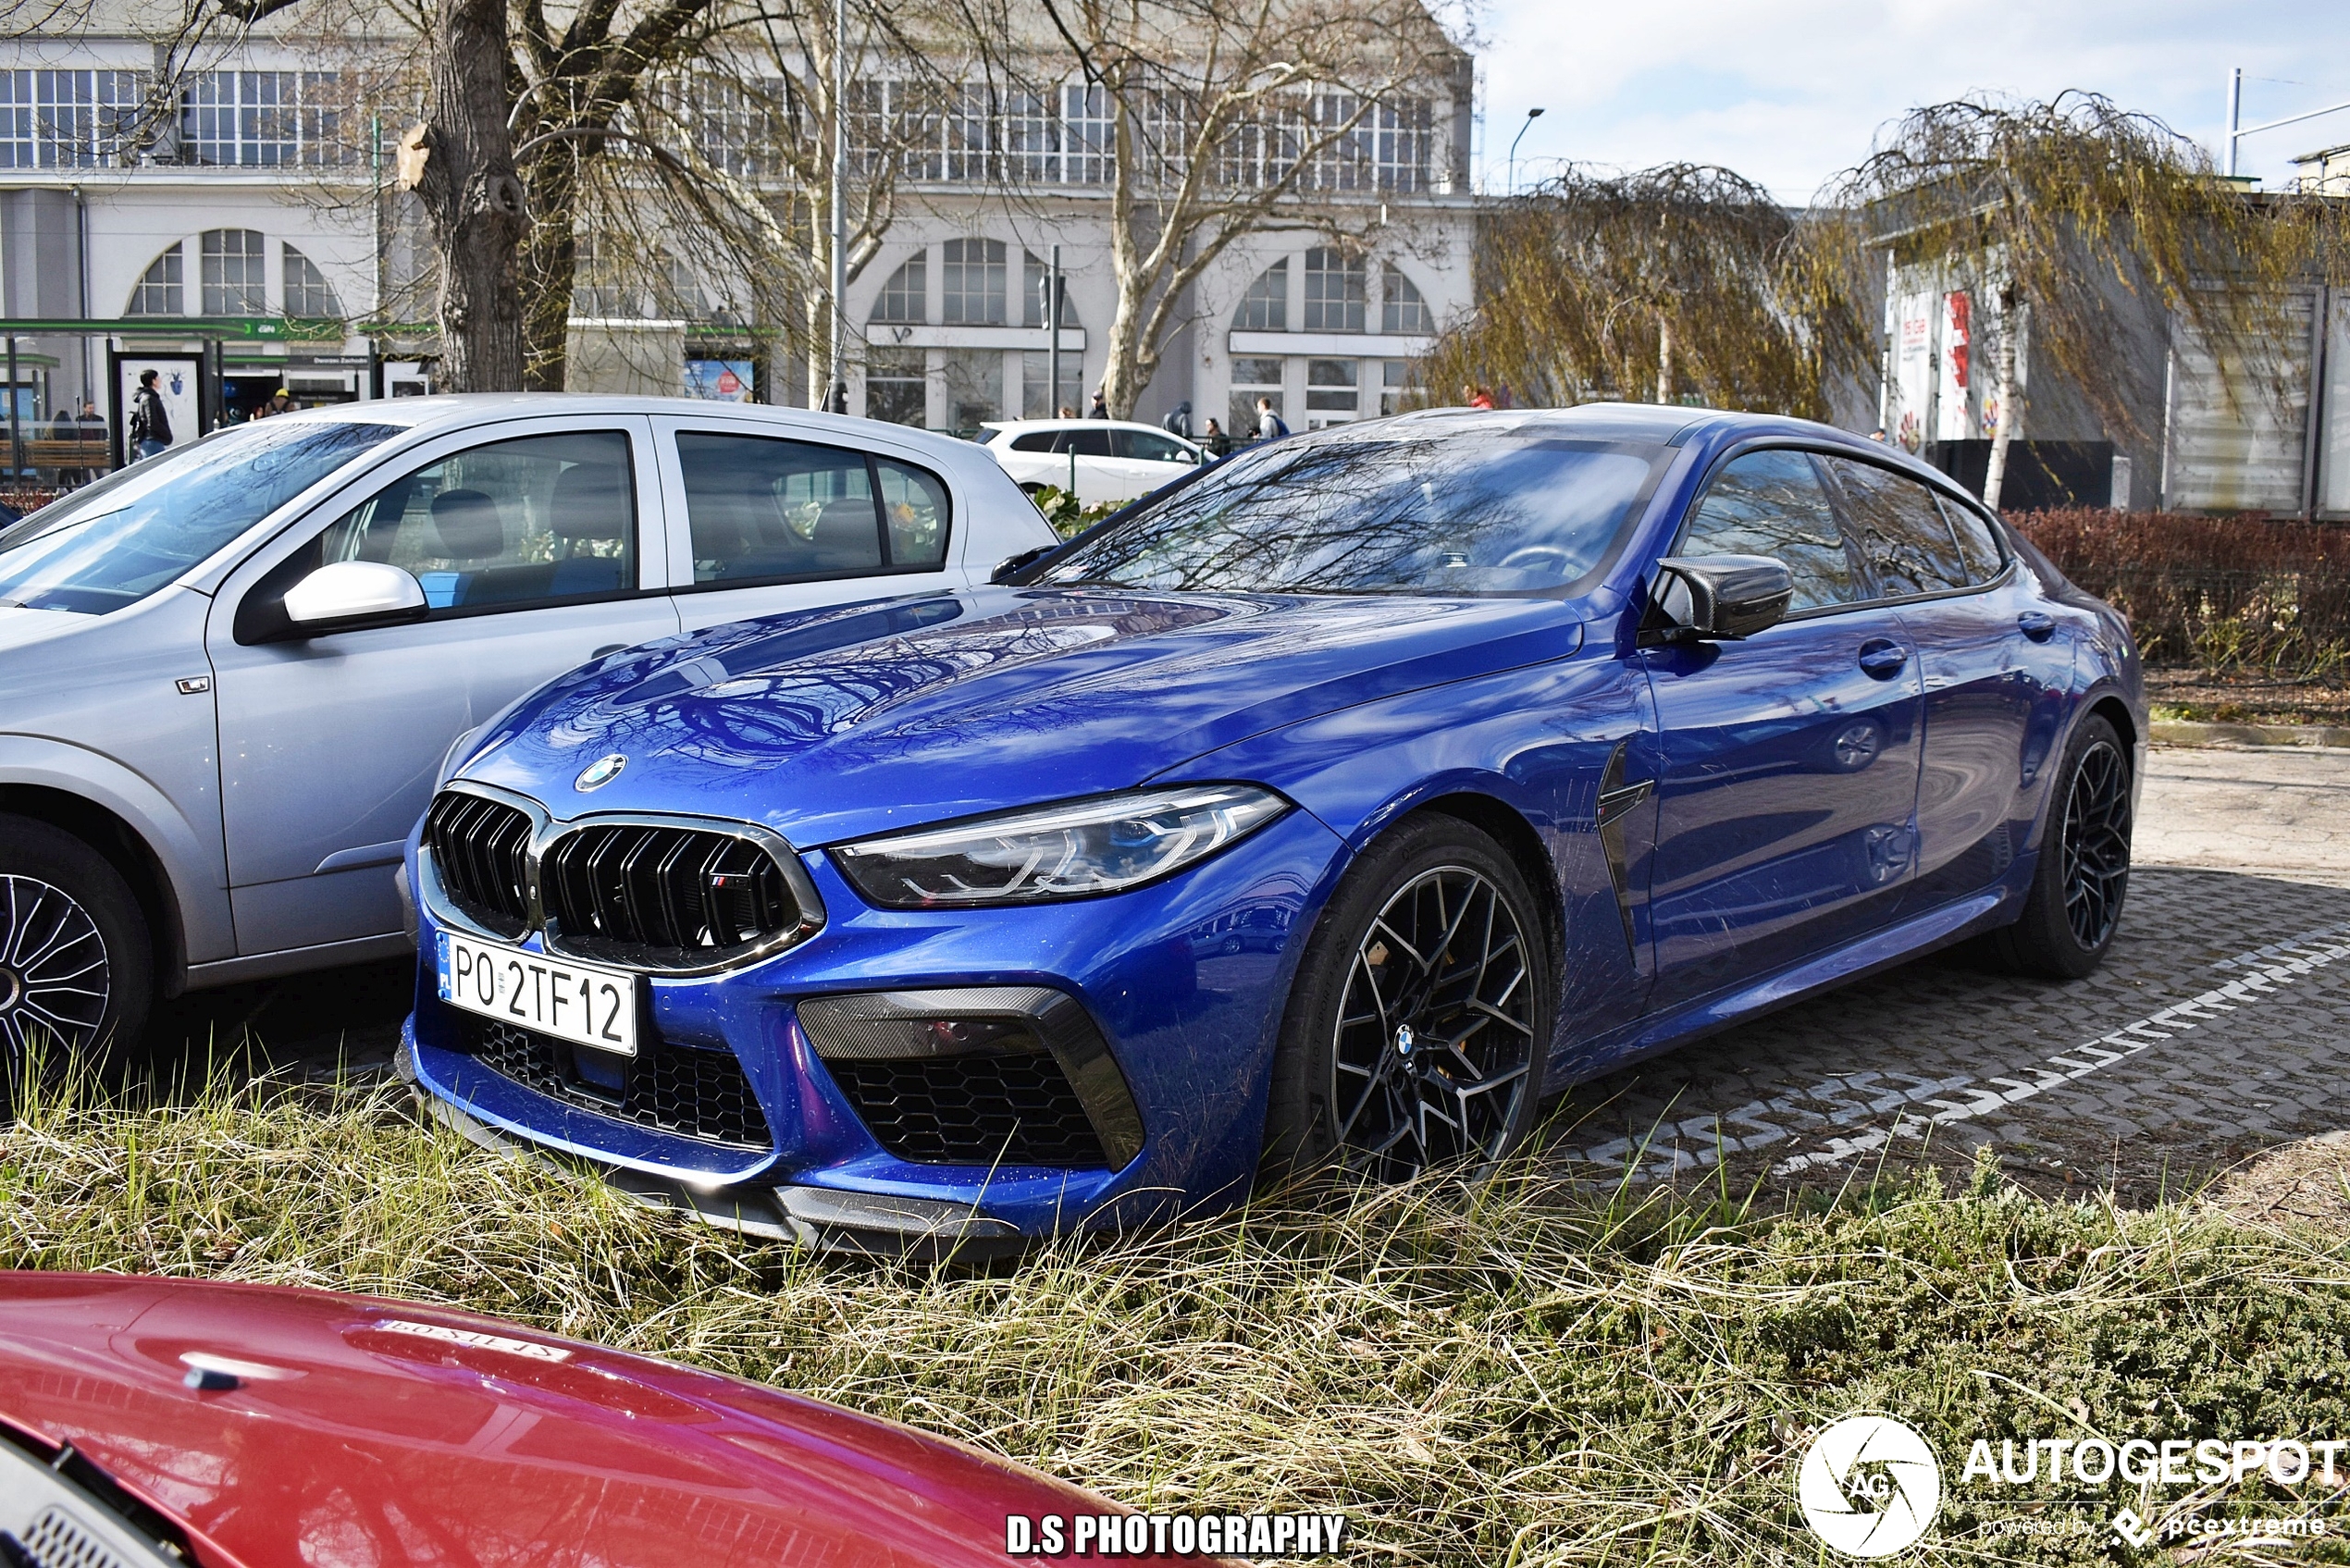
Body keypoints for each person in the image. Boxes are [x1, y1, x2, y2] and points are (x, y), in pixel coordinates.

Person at [127, 369, 172, 460]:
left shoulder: (148, 397)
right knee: (158, 468)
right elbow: (152, 421)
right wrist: (166, 434)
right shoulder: (149, 398)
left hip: (152, 440)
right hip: (152, 440)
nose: (160, 380)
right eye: (158, 378)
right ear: (153, 381)